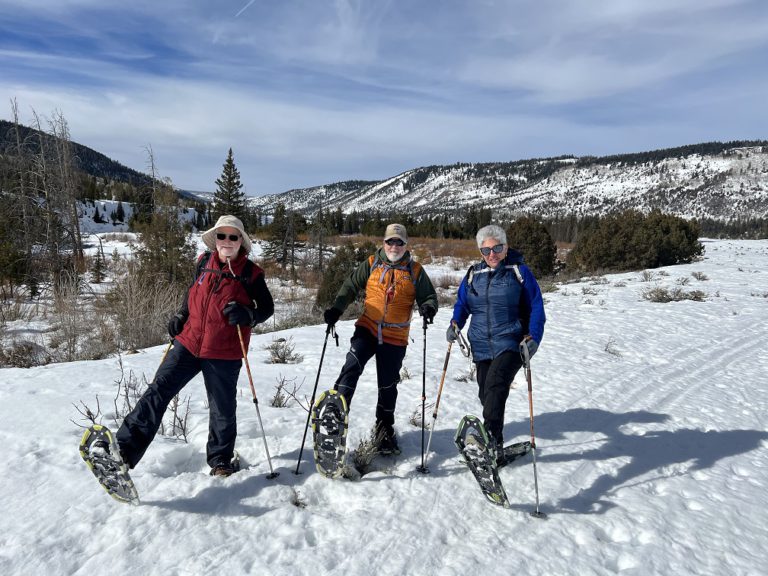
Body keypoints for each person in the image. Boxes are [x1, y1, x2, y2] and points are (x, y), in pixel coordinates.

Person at [115, 215, 274, 477]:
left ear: (240, 242)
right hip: (188, 343)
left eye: (233, 237)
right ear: (215, 239)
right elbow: (192, 293)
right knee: (158, 391)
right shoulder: (203, 263)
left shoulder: (250, 273)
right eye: (221, 236)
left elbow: (266, 308)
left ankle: (221, 461)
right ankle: (123, 451)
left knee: (221, 408)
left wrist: (249, 315)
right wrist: (181, 314)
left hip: (224, 351)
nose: (226, 241)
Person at [323, 223, 438, 454]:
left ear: (406, 245)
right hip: (367, 328)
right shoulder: (371, 263)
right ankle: (335, 415)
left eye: (399, 242)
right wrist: (336, 309)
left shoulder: (415, 271)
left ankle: (384, 429)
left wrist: (428, 308)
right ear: (383, 243)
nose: (394, 246)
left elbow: (429, 296)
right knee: (351, 367)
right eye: (390, 241)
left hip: (395, 335)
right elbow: (350, 285)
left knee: (387, 384)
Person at [446, 224, 545, 464]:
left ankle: (488, 442)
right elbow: (462, 304)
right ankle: (496, 447)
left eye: (497, 248)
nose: (492, 254)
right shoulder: (473, 275)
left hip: (511, 342)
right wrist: (455, 323)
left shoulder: (518, 271)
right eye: (485, 250)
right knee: (487, 394)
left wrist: (534, 337)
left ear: (505, 247)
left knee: (496, 384)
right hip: (480, 345)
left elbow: (536, 306)